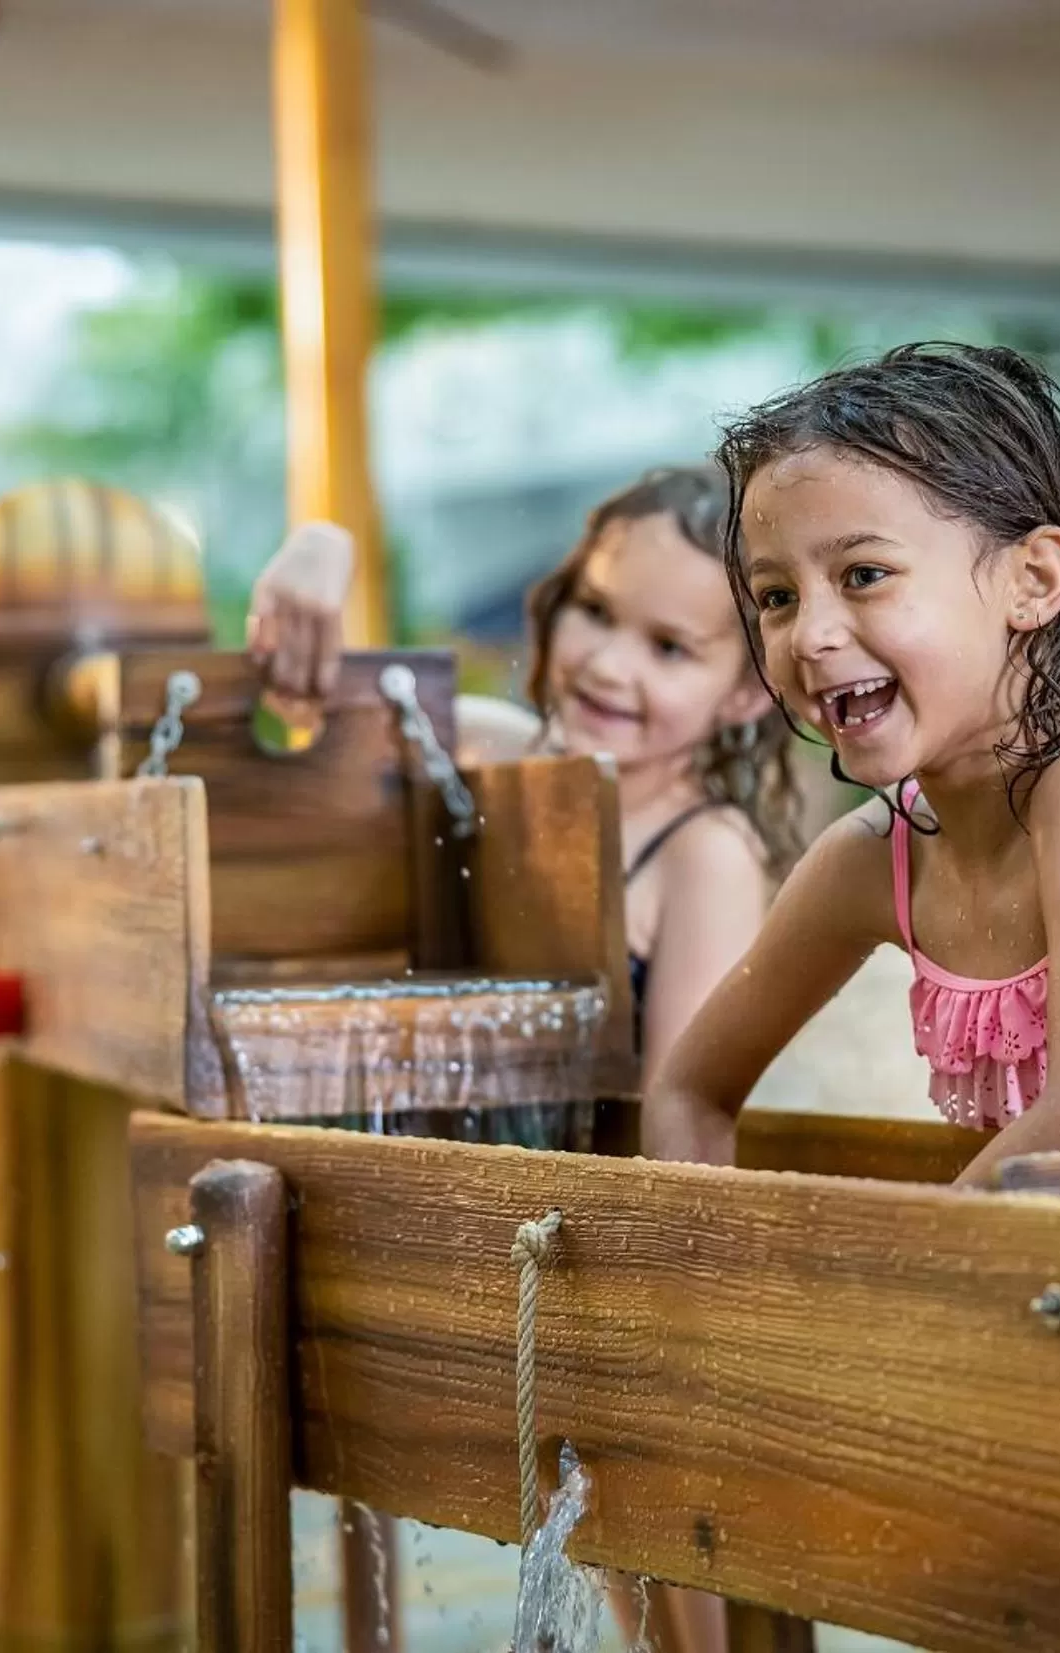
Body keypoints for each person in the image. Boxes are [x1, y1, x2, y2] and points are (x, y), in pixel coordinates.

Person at [248, 468, 802, 1653]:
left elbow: (681, 1115)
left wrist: (658, 1332)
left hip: (636, 1272)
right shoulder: (498, 756)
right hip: (523, 1250)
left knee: (667, 1588)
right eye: (597, 614)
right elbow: (330, 706)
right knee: (594, 1560)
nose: (610, 665)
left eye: (669, 646)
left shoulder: (702, 852)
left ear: (748, 694)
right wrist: (317, 545)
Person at [644, 343, 1060, 1180]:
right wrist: (701, 1284)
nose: (808, 633)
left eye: (864, 574)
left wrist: (904, 1270)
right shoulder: (871, 863)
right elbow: (688, 1089)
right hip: (1051, 1292)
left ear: (1033, 579)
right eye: (776, 595)